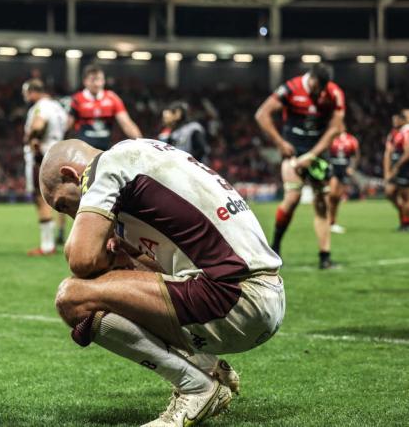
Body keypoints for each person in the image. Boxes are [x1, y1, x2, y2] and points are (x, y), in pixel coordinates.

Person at [38, 139, 283, 427]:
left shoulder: (102, 167)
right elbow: (176, 265)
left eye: (65, 205)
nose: (71, 215)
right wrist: (129, 257)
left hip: (232, 297)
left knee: (73, 297)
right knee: (117, 283)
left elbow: (81, 259)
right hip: (265, 295)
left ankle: (196, 388)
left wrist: (99, 251)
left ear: (70, 175)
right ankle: (207, 367)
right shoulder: (145, 151)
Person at [255, 63, 345, 269]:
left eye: (322, 89)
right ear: (310, 78)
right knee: (293, 198)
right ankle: (275, 247)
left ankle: (325, 257)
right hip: (293, 151)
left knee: (322, 202)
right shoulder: (290, 88)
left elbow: (335, 128)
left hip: (318, 153)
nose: (318, 93)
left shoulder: (334, 93)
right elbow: (262, 114)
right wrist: (280, 143)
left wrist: (313, 155)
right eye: (316, 88)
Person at [22, 79, 67, 256]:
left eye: (26, 93)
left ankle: (47, 245)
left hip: (41, 155)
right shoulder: (58, 107)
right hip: (58, 152)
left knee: (40, 198)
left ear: (33, 92)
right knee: (58, 198)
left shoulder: (40, 107)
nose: (26, 97)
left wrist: (31, 138)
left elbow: (38, 125)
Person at [68, 65, 142, 150]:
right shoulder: (77, 99)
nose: (97, 84)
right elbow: (68, 126)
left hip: (105, 148)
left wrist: (141, 143)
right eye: (93, 80)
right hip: (83, 149)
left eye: (100, 80)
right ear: (85, 81)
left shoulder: (112, 98)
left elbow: (126, 123)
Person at [328, 128, 359, 234]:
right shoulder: (330, 137)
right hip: (333, 168)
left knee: (337, 197)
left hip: (344, 169)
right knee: (332, 194)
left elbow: (355, 155)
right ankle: (328, 221)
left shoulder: (351, 139)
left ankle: (333, 222)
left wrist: (352, 167)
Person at [384, 111, 409, 231]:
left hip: (405, 169)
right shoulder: (394, 133)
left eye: (396, 119)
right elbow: (388, 152)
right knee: (390, 193)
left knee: (405, 197)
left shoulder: (406, 132)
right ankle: (404, 220)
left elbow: (407, 152)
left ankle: (405, 223)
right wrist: (388, 171)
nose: (394, 122)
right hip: (397, 169)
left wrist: (396, 167)